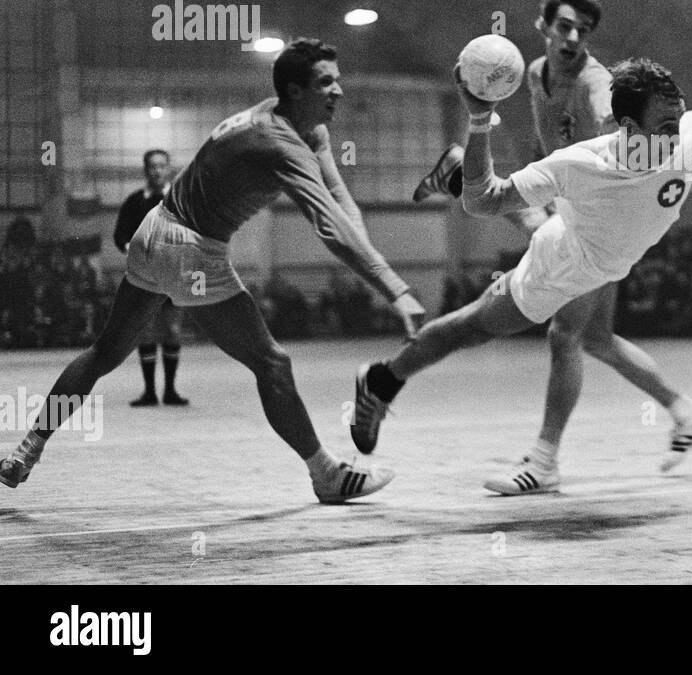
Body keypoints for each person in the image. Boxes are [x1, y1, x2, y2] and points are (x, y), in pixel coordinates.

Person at [351, 57, 692, 487]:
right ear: (627, 127)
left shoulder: (686, 137)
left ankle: (555, 457)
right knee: (479, 327)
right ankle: (382, 381)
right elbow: (483, 202)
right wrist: (480, 121)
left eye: (677, 122)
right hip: (564, 266)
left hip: (609, 259)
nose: (677, 136)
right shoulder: (578, 163)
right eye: (664, 128)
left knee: (590, 337)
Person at [0, 39, 426, 502]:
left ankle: (26, 450)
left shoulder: (303, 127)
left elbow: (342, 205)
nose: (339, 90)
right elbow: (330, 228)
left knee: (105, 353)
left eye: (337, 79)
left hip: (154, 230)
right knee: (272, 362)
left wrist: (371, 255)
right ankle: (327, 474)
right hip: (191, 249)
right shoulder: (280, 144)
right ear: (295, 91)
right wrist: (395, 288)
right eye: (327, 82)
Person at [412, 0, 692, 496]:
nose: (573, 38)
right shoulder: (533, 74)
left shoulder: (600, 90)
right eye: (564, 27)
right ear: (544, 27)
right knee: (595, 337)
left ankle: (545, 459)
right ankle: (685, 412)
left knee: (566, 335)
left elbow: (617, 144)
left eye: (582, 30)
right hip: (571, 204)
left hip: (597, 214)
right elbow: (549, 144)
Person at [113, 149, 188, 406]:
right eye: (152, 166)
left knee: (172, 331)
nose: (157, 170)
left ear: (169, 169)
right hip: (142, 278)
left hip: (172, 277)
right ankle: (149, 391)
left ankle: (170, 391)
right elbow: (119, 235)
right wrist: (133, 253)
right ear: (145, 170)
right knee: (145, 332)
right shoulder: (134, 202)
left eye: (162, 166)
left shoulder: (180, 199)